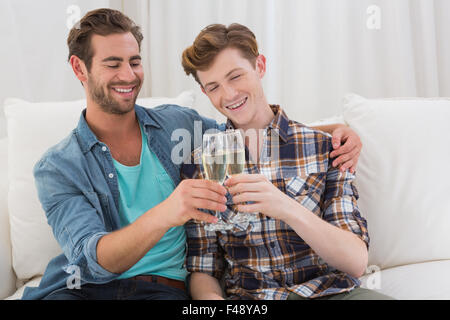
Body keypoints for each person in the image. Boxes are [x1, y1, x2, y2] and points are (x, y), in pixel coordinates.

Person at [22, 10, 362, 300]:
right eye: (113, 63)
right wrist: (169, 211)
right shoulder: (57, 167)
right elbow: (90, 260)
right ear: (79, 69)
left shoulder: (179, 126)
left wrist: (337, 130)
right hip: (83, 288)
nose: (128, 75)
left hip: (161, 289)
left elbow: (252, 126)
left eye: (134, 61)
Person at [181, 23, 393, 300]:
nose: (229, 95)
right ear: (205, 92)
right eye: (214, 86)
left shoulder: (325, 148)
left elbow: (355, 261)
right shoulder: (202, 164)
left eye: (235, 76)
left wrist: (283, 206)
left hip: (330, 292)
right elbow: (204, 270)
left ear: (260, 66)